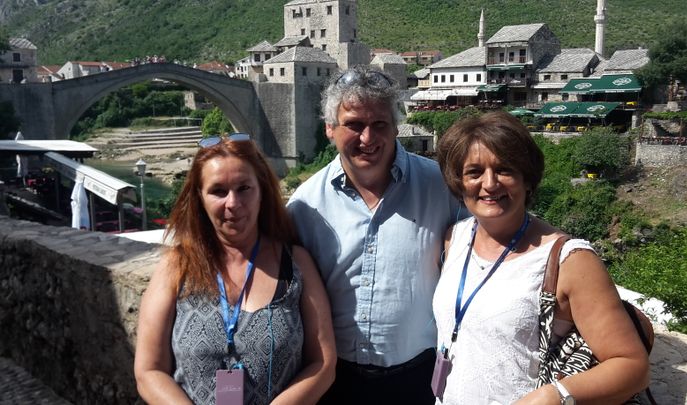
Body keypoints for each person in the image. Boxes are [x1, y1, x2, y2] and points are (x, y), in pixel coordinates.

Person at [432, 111, 650, 404]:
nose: (490, 183)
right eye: (474, 172)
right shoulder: (454, 239)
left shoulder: (569, 260)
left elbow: (632, 367)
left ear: (527, 180)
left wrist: (556, 395)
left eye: (504, 170)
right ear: (459, 182)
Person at [287, 65, 464, 404]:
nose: (368, 138)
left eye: (379, 124)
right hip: (334, 382)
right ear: (330, 129)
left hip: (418, 378)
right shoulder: (304, 206)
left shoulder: (441, 188)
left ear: (396, 126)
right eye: (354, 124)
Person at [134, 134, 336, 405]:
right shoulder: (176, 266)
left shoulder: (295, 264)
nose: (233, 203)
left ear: (261, 190)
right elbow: (149, 371)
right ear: (199, 197)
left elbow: (323, 363)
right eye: (218, 191)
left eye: (244, 188)